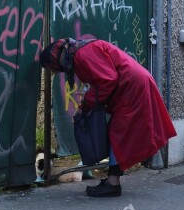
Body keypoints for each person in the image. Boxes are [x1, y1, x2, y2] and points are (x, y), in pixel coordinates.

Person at [39, 37, 177, 197]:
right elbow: (103, 80)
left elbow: (107, 80)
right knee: (118, 132)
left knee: (118, 133)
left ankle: (113, 184)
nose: (55, 72)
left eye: (51, 68)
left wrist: (87, 105)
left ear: (55, 60)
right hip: (131, 84)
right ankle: (113, 180)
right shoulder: (79, 52)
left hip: (131, 87)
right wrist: (86, 105)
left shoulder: (80, 56)